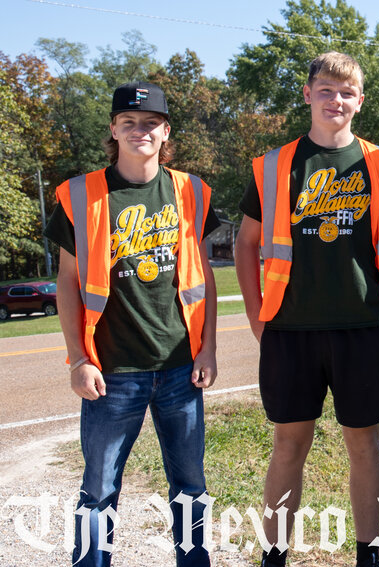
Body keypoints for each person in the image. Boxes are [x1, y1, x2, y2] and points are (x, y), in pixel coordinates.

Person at [234, 51, 379, 567]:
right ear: (308, 94)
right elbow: (246, 244)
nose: (335, 99)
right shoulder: (274, 166)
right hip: (290, 329)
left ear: (360, 101)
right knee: (288, 446)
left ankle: (369, 555)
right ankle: (275, 556)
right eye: (325, 89)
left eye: (346, 91)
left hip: (361, 327)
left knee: (365, 445)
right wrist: (257, 317)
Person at [46, 81, 219, 566]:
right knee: (98, 487)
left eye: (150, 123)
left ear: (166, 132)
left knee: (190, 484)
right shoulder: (80, 194)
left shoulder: (191, 190)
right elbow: (67, 282)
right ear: (113, 130)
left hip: (180, 367)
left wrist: (208, 351)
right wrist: (79, 358)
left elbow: (203, 274)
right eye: (129, 122)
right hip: (111, 371)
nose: (139, 130)